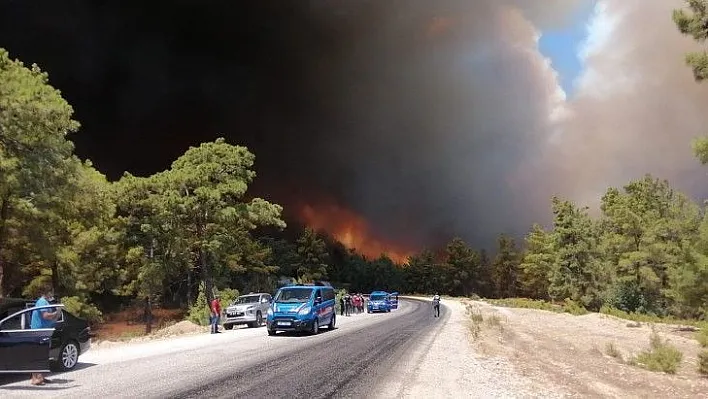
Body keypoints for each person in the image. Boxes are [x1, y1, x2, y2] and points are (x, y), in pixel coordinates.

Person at [30, 285, 60, 386]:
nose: (52, 294)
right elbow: (45, 315)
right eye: (51, 292)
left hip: (44, 332)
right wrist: (56, 313)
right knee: (38, 354)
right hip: (39, 332)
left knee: (43, 355)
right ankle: (35, 379)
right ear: (47, 292)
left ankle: (40, 377)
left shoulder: (45, 302)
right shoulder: (42, 301)